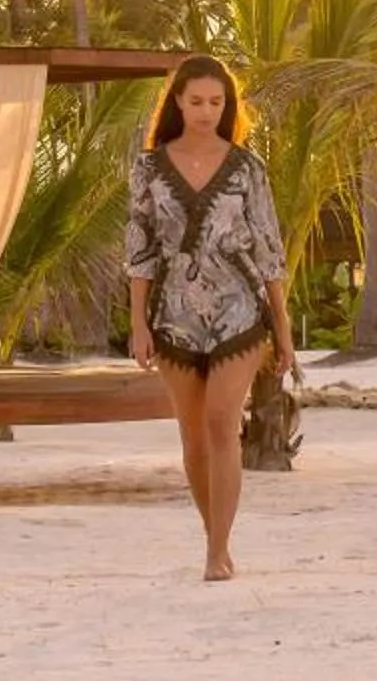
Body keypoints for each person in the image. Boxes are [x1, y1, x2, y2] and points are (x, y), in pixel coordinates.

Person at [125, 52, 296, 581]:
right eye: (196, 101)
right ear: (177, 102)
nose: (206, 111)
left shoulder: (247, 167)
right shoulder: (149, 168)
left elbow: (268, 250)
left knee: (223, 422)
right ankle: (213, 536)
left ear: (228, 106)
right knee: (193, 438)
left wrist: (283, 329)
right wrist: (137, 324)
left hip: (238, 311)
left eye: (216, 102)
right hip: (172, 315)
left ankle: (216, 552)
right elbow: (139, 251)